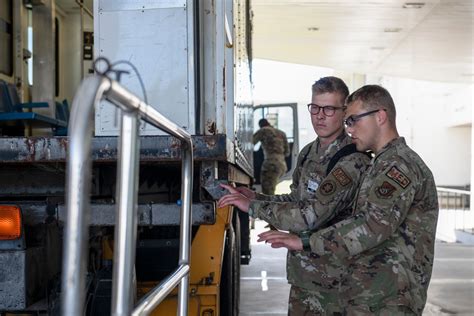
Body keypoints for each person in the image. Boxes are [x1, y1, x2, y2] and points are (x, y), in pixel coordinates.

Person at [258, 85, 439, 315]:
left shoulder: (398, 166)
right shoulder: (380, 163)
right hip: (372, 296)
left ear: (380, 116)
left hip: (391, 300)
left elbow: (371, 226)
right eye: (347, 121)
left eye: (353, 120)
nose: (349, 129)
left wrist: (305, 241)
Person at [218, 76, 370, 315]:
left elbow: (311, 216)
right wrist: (256, 197)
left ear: (344, 112)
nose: (320, 116)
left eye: (329, 109)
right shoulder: (309, 152)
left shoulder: (351, 160)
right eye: (315, 107)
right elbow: (296, 200)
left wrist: (253, 208)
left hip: (335, 282)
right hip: (304, 276)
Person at [253, 118, 290, 195]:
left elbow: (251, 142)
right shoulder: (281, 133)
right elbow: (287, 153)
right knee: (271, 189)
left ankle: (269, 207)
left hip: (271, 164)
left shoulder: (263, 130)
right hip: (282, 165)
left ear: (261, 125)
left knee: (267, 193)